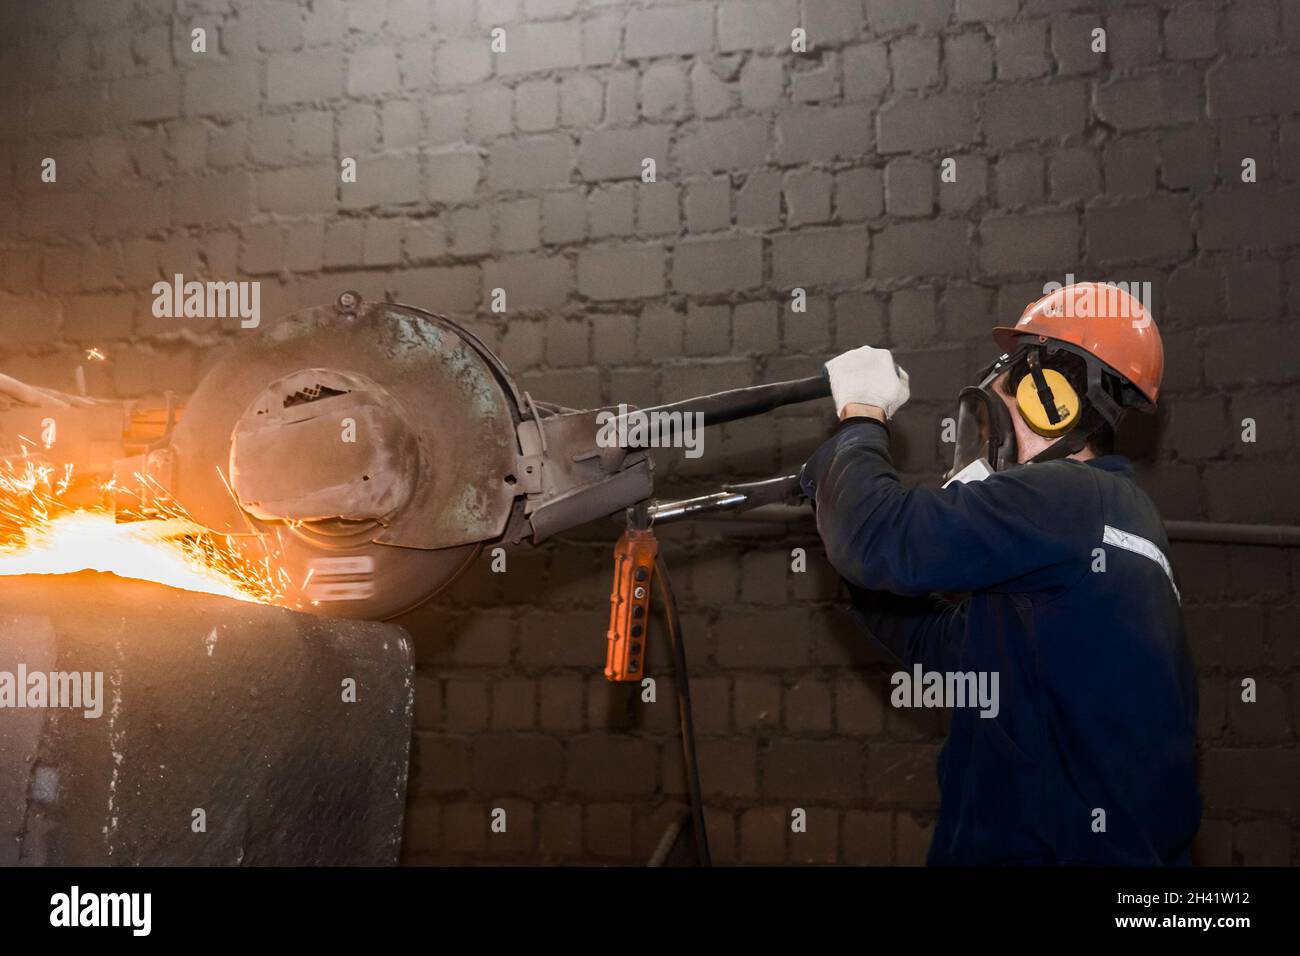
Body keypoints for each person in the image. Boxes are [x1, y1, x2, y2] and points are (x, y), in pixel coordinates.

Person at [800, 282, 1200, 865]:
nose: (992, 434)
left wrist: (861, 419)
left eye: (1008, 392)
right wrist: (838, 513)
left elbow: (877, 536)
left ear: (1048, 395)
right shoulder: (1118, 526)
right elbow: (944, 646)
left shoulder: (1066, 497)